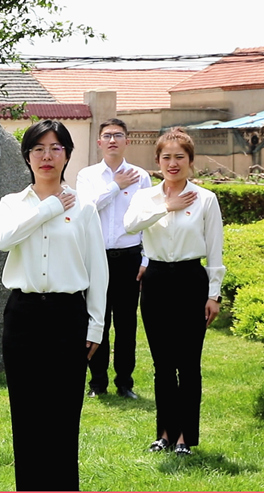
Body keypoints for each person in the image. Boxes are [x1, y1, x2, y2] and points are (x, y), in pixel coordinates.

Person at [0, 120, 108, 491]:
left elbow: (98, 271)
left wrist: (95, 326)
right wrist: (49, 208)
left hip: (67, 317)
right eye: (38, 149)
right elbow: (3, 239)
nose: (46, 156)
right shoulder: (12, 204)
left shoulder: (85, 207)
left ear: (67, 155)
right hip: (23, 315)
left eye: (55, 148)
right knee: (26, 414)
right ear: (27, 156)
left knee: (63, 414)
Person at [124, 128, 225, 456]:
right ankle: (165, 434)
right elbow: (130, 225)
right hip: (155, 282)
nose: (173, 163)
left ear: (190, 161)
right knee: (163, 365)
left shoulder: (205, 199)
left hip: (190, 280)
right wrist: (167, 206)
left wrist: (214, 295)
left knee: (189, 364)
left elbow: (215, 251)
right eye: (166, 157)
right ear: (157, 161)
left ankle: (185, 438)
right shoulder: (146, 198)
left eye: (179, 157)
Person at [76, 118, 151, 399]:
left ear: (126, 141)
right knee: (97, 320)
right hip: (96, 257)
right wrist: (115, 186)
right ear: (99, 142)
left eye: (118, 135)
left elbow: (148, 220)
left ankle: (125, 382)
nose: (112, 140)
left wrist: (146, 259)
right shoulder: (87, 176)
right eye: (107, 135)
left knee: (126, 323)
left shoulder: (141, 176)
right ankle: (97, 383)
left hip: (129, 258)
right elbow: (86, 209)